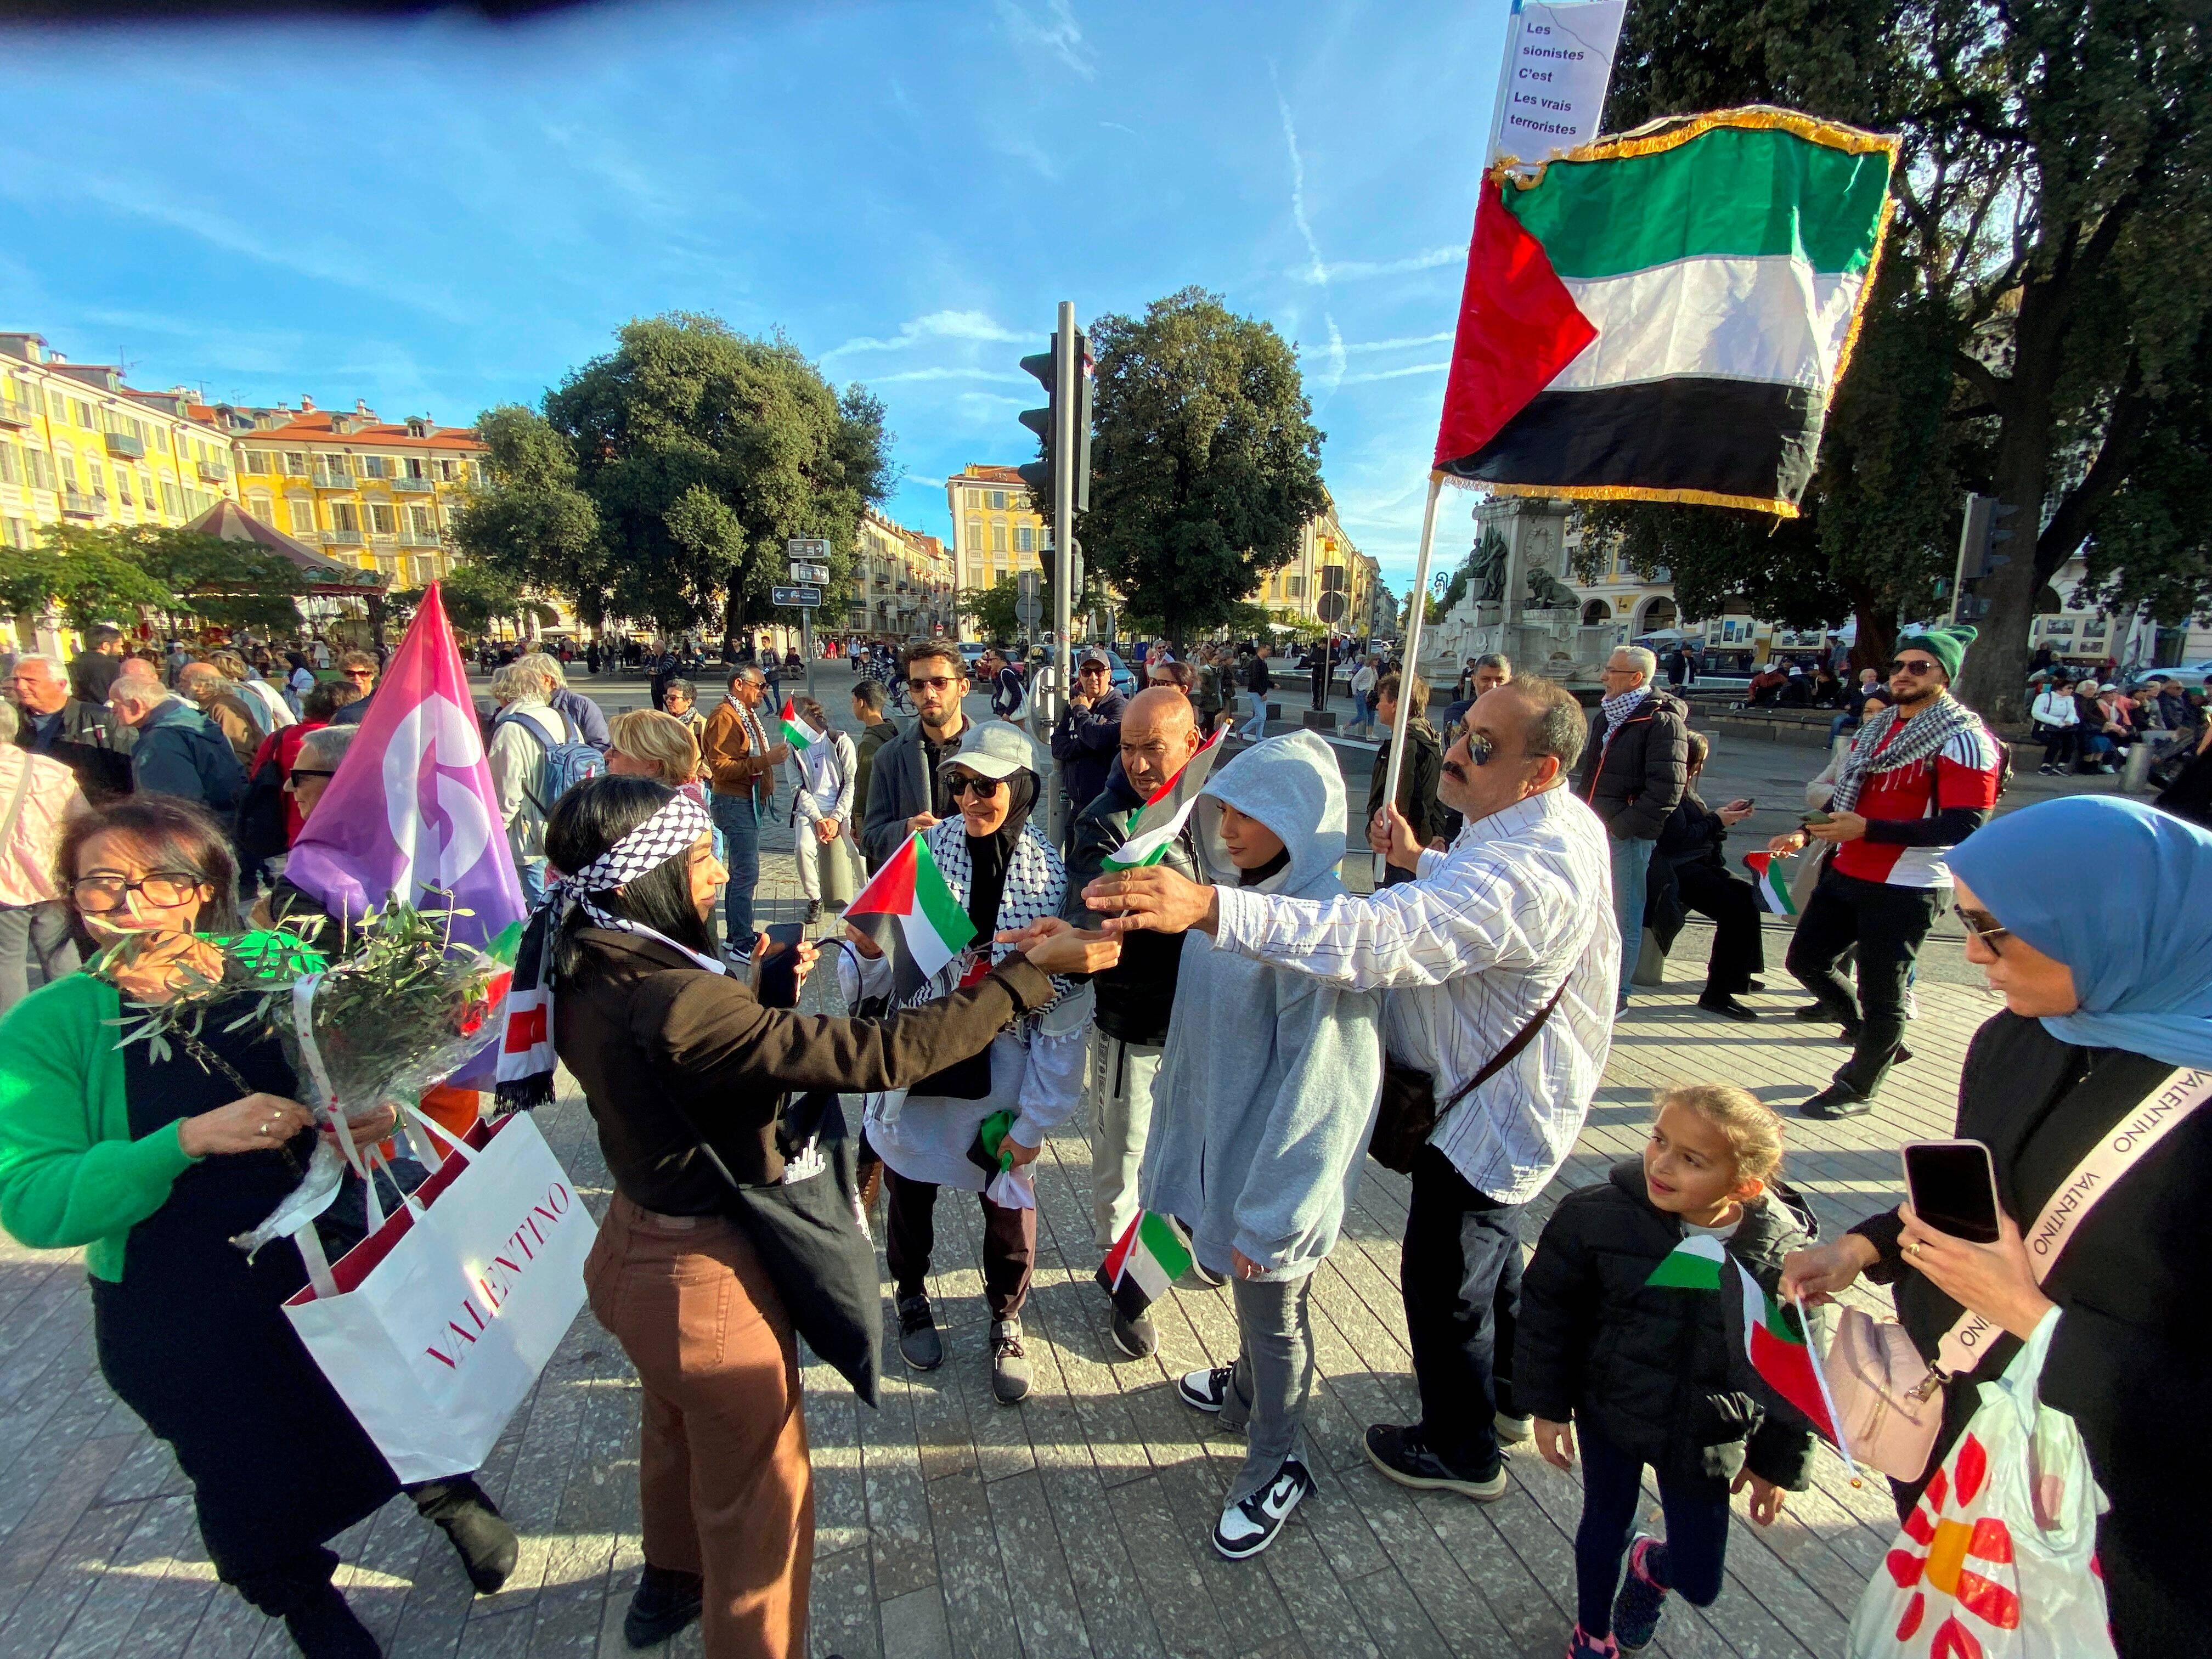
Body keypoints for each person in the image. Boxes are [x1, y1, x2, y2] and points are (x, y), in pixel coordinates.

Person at [504, 775, 1112, 1656]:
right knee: (762, 1512)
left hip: (631, 1251)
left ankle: (670, 1583)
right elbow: (884, 1052)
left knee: (672, 1426)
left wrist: (759, 997)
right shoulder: (678, 1001)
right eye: (703, 859)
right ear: (645, 879)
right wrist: (1024, 979)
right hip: (705, 1283)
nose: (721, 875)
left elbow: (678, 1063)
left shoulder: (586, 952)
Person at [0, 796, 516, 1658]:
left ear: (207, 887)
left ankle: (444, 1493)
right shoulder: (51, 1025)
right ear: (71, 896)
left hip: (325, 1249)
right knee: (243, 1466)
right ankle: (300, 1594)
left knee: (390, 1393)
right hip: (179, 1296)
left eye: (160, 881)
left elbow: (368, 1075)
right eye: (102, 883)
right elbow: (30, 1196)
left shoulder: (276, 964)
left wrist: (379, 1111)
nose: (130, 904)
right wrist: (182, 1141)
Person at [1087, 676, 1619, 1502]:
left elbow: (1377, 942)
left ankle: (1462, 1448)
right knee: (1489, 1261)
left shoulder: (1530, 872)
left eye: (1481, 746)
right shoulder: (1535, 824)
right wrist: (1420, 859)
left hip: (1488, 1115)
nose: (1454, 750)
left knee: (1448, 1284)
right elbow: (1461, 888)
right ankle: (1508, 1395)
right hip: (1473, 1099)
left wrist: (1211, 908)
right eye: (1461, 727)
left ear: (1542, 770)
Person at [1781, 796, 2211, 1656]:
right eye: (1966, 922)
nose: (1972, 954)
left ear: (2110, 926)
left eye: (1994, 931)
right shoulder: (2022, 1034)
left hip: (2116, 1518)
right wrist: (1867, 1245)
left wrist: (2036, 1322)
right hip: (1961, 1442)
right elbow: (1996, 1196)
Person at [1144, 731, 1384, 1559]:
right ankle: (1246, 1390)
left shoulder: (1322, 935)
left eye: (1255, 813)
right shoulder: (1232, 902)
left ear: (1302, 820)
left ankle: (1278, 1461)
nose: (1231, 828)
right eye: (1225, 810)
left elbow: (1327, 1098)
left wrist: (1277, 1218)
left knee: (1277, 1317)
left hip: (1271, 1181)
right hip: (1227, 1159)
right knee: (1256, 1311)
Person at [1521, 1086, 1813, 1659]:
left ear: (1744, 1186)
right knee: (1604, 1524)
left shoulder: (1780, 1252)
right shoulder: (1594, 1216)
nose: (1661, 1163)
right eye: (1659, 1139)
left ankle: (1652, 1566)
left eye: (1692, 1159)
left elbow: (1798, 1366)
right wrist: (1548, 1405)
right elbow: (1548, 1311)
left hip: (1707, 1429)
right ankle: (1592, 1632)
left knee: (1701, 1578)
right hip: (1613, 1407)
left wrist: (1777, 1460)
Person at [864, 723, 1090, 1406]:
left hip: (1004, 1072)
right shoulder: (924, 857)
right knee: (910, 1190)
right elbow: (883, 957)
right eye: (958, 783)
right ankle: (910, 1296)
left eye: (985, 786)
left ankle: (1006, 1318)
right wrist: (857, 957)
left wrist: (1038, 1119)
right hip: (923, 1052)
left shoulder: (1051, 880)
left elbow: (1062, 1010)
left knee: (1009, 1200)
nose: (968, 798)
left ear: (1022, 789)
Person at [1769, 624, 2001, 1118]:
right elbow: (1843, 798)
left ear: (1945, 677)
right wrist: (1805, 833)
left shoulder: (1964, 738)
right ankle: (1876, 1039)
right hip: (1848, 869)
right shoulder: (1877, 728)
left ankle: (1859, 1086)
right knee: (1806, 961)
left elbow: (1967, 824)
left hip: (1909, 885)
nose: (1904, 674)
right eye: (1899, 665)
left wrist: (1869, 830)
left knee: (1884, 994)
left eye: (1920, 667)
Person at [1060, 687, 1206, 1357]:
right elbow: (1092, 910)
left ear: (1192, 743)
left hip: (1206, 1024)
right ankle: (1128, 1291)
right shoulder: (1105, 821)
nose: (1139, 764)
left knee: (1196, 1162)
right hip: (1133, 1024)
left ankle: (1165, 1254)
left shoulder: (1216, 809)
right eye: (1127, 748)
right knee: (1125, 1169)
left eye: (1154, 748)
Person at [1579, 647, 1690, 1013]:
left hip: (1625, 837)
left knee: (1623, 916)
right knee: (1593, 911)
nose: (1604, 677)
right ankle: (1592, 983)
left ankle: (1618, 994)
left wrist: (1619, 827)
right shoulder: (1607, 716)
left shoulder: (1662, 722)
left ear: (1636, 678)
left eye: (1612, 671)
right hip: (1595, 828)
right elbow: (1591, 775)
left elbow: (1667, 792)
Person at [1647, 731, 1765, 1022]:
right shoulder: (1670, 788)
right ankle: (1717, 993)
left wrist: (1723, 816)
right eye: (1700, 762)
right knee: (1735, 908)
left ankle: (1737, 974)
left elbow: (1694, 827)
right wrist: (1716, 820)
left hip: (1695, 863)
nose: (1700, 768)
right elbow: (1676, 839)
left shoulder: (1682, 787)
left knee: (1746, 896)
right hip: (1675, 870)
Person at [0, 701, 84, 1013]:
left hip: (5, 886)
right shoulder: (51, 770)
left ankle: (16, 1028)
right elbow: (82, 821)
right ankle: (76, 1017)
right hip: (53, 878)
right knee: (61, 952)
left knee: (7, 962)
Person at [700, 664, 788, 962]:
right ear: (740, 685)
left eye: (765, 687)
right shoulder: (725, 716)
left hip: (746, 801)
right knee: (745, 873)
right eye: (760, 686)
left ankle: (738, 933)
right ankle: (740, 940)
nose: (764, 692)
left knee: (743, 872)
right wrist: (766, 760)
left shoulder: (743, 713)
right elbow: (721, 768)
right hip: (735, 802)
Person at [861, 642, 972, 869]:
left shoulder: (993, 753)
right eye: (918, 685)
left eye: (939, 682)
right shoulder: (889, 756)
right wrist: (907, 830)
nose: (928, 694)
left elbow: (1018, 832)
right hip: (918, 885)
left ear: (963, 686)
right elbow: (870, 838)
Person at [486, 659, 573, 906]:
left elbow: (506, 794)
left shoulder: (511, 729)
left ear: (505, 694)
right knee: (565, 902)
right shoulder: (564, 719)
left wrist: (494, 834)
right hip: (566, 825)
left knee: (541, 907)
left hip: (531, 837)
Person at [108, 669, 242, 812]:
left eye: (116, 703)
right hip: (229, 818)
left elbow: (172, 809)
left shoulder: (160, 742)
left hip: (200, 822)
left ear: (136, 705)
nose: (112, 710)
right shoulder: (194, 720)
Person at [783, 695, 859, 926]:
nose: (788, 730)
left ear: (807, 718)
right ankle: (815, 899)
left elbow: (851, 782)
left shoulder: (840, 741)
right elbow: (797, 788)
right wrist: (817, 818)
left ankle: (867, 895)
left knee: (857, 851)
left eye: (791, 723)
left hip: (842, 808)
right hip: (809, 811)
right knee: (802, 848)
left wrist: (836, 817)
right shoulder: (793, 747)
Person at [1366, 671, 1443, 886]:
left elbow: (1399, 799)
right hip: (1418, 844)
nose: (1377, 706)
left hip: (1398, 850)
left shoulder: (1405, 745)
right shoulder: (1427, 737)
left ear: (1395, 704)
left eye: (1381, 700)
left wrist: (1383, 833)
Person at [1051, 651, 1127, 834]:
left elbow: (1099, 740)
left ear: (1109, 674)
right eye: (1087, 672)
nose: (1093, 677)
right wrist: (1088, 743)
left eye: (1099, 671)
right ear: (1080, 675)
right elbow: (1057, 747)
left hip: (1106, 810)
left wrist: (1081, 712)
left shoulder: (1119, 706)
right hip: (1078, 807)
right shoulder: (1076, 704)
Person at [520, 650, 612, 753]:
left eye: (526, 681)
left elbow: (601, 747)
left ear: (547, 681)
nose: (521, 687)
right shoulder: (519, 706)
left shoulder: (581, 706)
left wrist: (575, 762)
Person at [177, 661, 263, 769]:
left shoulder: (224, 707)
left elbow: (239, 751)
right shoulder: (215, 704)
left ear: (202, 685)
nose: (180, 685)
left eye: (184, 681)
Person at [848, 679, 898, 852]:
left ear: (862, 703)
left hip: (876, 819)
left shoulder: (869, 743)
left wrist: (857, 822)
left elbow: (864, 787)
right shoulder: (893, 731)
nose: (853, 706)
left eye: (853, 702)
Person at [658, 677, 710, 773]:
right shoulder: (665, 723)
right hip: (670, 778)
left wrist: (700, 775)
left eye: (673, 698)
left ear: (688, 702)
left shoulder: (701, 724)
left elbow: (711, 757)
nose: (668, 701)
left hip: (694, 778)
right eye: (666, 697)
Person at [68, 624, 127, 708]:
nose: (121, 651)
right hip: (106, 713)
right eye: (119, 646)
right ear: (106, 646)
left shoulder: (71, 666)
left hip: (75, 712)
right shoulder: (115, 668)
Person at [2030, 674, 2079, 774]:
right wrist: (2057, 722)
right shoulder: (2044, 697)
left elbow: (2072, 712)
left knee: (2072, 741)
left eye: (2072, 688)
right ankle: (2046, 765)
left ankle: (2062, 765)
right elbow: (2036, 713)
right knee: (2055, 742)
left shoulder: (2070, 699)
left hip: (2063, 729)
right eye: (2069, 688)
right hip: (2044, 728)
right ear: (2060, 689)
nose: (2071, 690)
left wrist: (2069, 721)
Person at [2073, 679, 2118, 772]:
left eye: (2094, 689)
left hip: (2093, 727)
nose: (2092, 692)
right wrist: (2103, 723)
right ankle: (2087, 766)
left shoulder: (2092, 700)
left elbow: (2099, 714)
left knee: (2105, 740)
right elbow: (2085, 715)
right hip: (2082, 727)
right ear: (2082, 690)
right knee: (2094, 740)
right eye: (2090, 689)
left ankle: (2095, 765)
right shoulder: (2078, 700)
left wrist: (2105, 723)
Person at [324, 651, 380, 726]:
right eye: (350, 674)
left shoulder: (379, 699)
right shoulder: (333, 701)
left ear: (372, 676)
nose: (357, 678)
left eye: (363, 673)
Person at [1240, 644, 1273, 741]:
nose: (1269, 652)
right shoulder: (1255, 662)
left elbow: (1264, 678)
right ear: (1261, 649)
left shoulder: (1262, 662)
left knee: (1262, 717)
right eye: (1268, 650)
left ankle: (1259, 738)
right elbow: (1255, 679)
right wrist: (1262, 693)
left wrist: (1272, 684)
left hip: (1260, 691)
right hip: (1255, 692)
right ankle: (1242, 731)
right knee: (1261, 717)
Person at [1347, 654, 1379, 738]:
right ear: (1371, 660)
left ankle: (1370, 734)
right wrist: (1355, 692)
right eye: (1375, 659)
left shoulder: (1374, 670)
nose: (1377, 661)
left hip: (1369, 694)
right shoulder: (1365, 669)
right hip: (1362, 692)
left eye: (1378, 659)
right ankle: (1345, 727)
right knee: (1362, 715)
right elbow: (1355, 680)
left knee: (1371, 714)